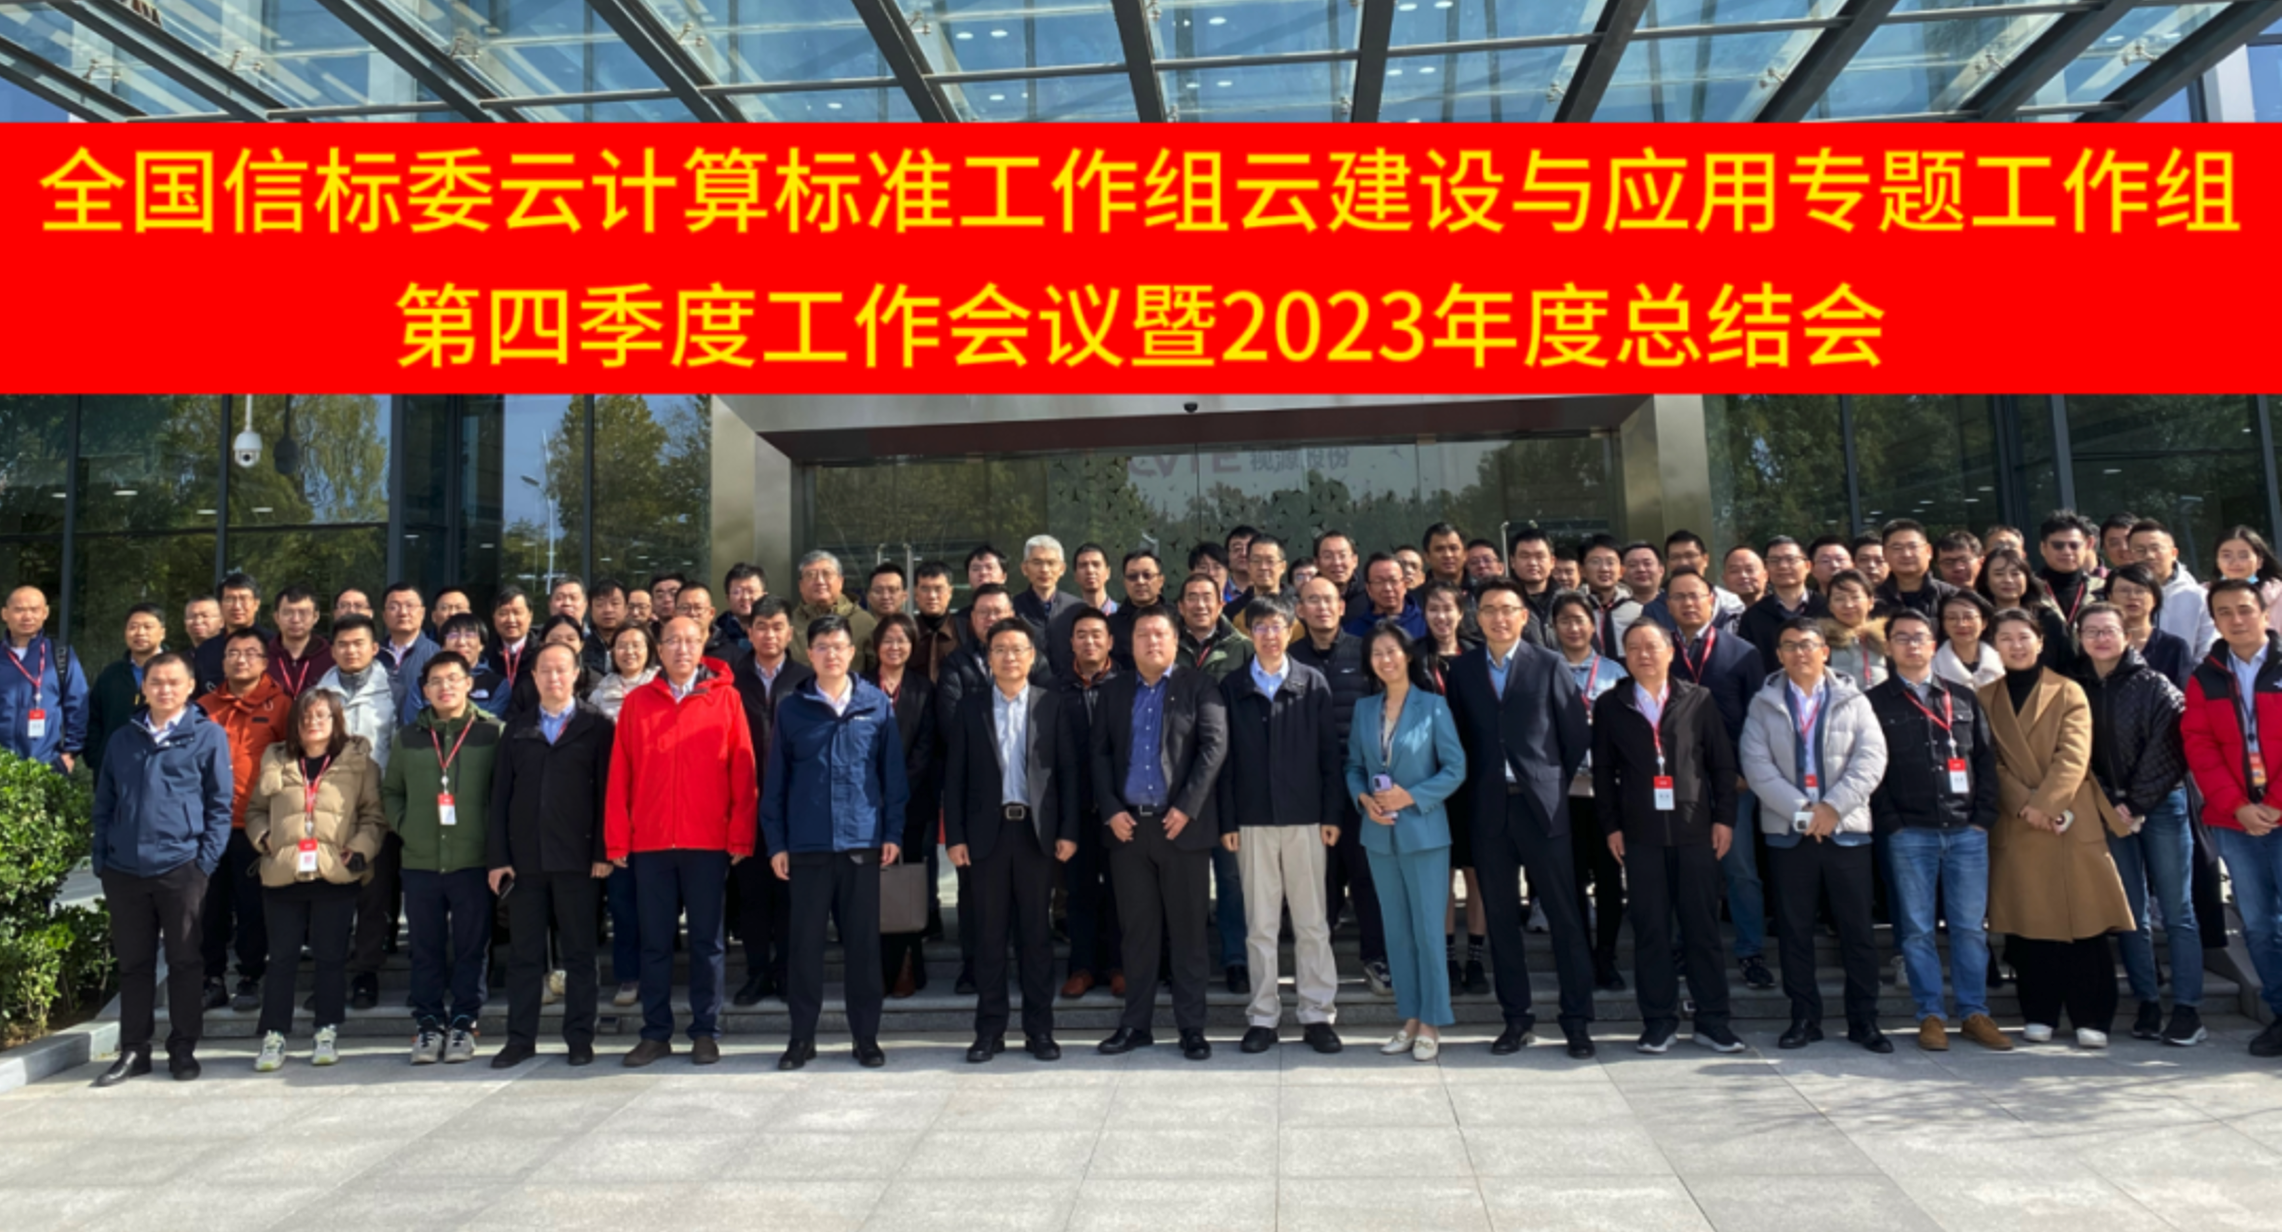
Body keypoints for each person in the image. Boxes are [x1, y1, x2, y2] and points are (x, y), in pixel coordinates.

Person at [1444, 578, 1598, 1059]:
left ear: (1523, 616)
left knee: (1566, 916)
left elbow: (1574, 735)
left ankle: (1577, 1021)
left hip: (1542, 806)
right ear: (1477, 617)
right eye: (1489, 609)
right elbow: (1457, 738)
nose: (1498, 617)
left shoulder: (1548, 663)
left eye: (1507, 609)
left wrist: (1546, 778)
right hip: (1488, 808)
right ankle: (1516, 1018)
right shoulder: (1463, 670)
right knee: (1501, 919)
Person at [1980, 607, 2135, 1048]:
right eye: (2006, 638)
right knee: (2030, 922)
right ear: (1995, 645)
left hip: (2069, 814)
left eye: (2023, 636)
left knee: (2085, 919)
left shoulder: (2068, 691)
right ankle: (2039, 1011)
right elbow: (1989, 760)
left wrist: (2046, 804)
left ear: (2040, 641)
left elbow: (2074, 754)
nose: (2016, 645)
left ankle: (2092, 1015)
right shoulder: (1984, 697)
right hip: (2019, 821)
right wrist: (2025, 805)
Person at [607, 617, 757, 1067]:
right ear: (659, 648)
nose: (681, 648)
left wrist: (741, 833)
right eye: (672, 640)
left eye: (690, 640)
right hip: (651, 843)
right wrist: (617, 838)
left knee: (708, 942)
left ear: (703, 644)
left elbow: (743, 771)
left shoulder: (725, 698)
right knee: (655, 943)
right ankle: (655, 1033)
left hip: (707, 841)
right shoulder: (638, 702)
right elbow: (620, 774)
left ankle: (705, 1031)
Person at [1740, 618, 1892, 1053]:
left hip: (1846, 831)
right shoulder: (1763, 703)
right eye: (1789, 646)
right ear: (1779, 655)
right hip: (1790, 833)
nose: (1799, 653)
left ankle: (1864, 1020)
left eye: (1807, 644)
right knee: (1795, 931)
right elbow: (1756, 765)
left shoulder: (1853, 699)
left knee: (1856, 931)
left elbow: (1871, 758)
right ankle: (1804, 1018)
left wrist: (1832, 808)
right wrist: (1804, 813)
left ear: (1825, 651)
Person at [763, 616, 908, 1070]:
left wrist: (892, 833)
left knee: (863, 948)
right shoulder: (792, 708)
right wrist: (776, 842)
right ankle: (801, 1038)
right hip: (807, 847)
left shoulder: (875, 704)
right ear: (809, 654)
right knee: (804, 947)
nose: (831, 654)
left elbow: (893, 777)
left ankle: (866, 1038)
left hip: (862, 843)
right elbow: (775, 782)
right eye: (822, 646)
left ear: (852, 652)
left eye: (839, 646)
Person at [1594, 621, 1743, 1054]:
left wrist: (1724, 819)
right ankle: (1658, 1022)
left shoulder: (1698, 699)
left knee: (1702, 929)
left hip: (1695, 831)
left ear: (1671, 651)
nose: (1644, 654)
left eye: (1652, 646)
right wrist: (1611, 826)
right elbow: (1603, 772)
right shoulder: (1611, 704)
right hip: (1640, 834)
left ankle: (1713, 1021)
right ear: (1624, 656)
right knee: (1651, 930)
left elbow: (1721, 765)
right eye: (1633, 647)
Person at [1866, 610, 2010, 1053]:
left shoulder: (1962, 697)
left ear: (1933, 645)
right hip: (1910, 832)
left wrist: (1983, 817)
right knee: (1916, 929)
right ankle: (1930, 1014)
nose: (1912, 645)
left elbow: (1984, 759)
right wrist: (1892, 823)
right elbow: (1870, 769)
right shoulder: (1874, 702)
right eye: (1902, 638)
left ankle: (1974, 1012)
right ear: (1889, 647)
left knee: (1969, 928)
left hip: (1967, 829)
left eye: (1920, 637)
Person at [1092, 608, 1228, 1061]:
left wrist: (1188, 807)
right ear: (1129, 643)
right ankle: (1136, 1024)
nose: (1152, 641)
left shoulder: (1198, 686)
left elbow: (1214, 747)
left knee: (1189, 934)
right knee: (1138, 933)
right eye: (1143, 634)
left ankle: (1192, 1027)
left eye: (1160, 634)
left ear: (1175, 641)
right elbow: (1098, 755)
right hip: (1129, 830)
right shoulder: (1113, 692)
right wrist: (1110, 809)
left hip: (1181, 829)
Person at [91, 652, 232, 1086]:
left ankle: (183, 1047)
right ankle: (134, 1049)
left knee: (184, 960)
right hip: (124, 869)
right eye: (156, 682)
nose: (164, 689)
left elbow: (220, 805)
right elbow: (104, 802)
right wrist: (102, 858)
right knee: (134, 964)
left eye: (173, 682)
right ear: (144, 687)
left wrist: (204, 863)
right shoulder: (123, 738)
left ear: (190, 687)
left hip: (181, 867)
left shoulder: (207, 736)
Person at [944, 618, 1077, 1062]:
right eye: (999, 649)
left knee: (1035, 937)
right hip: (987, 836)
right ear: (988, 658)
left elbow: (1067, 774)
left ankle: (1040, 1031)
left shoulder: (1050, 705)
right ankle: (989, 1031)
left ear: (1032, 656)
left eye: (1017, 649)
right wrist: (955, 836)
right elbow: (954, 777)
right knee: (989, 937)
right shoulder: (971, 707)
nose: (1009, 657)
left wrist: (1068, 831)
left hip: (1036, 835)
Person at [1217, 598, 1344, 1054]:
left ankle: (1317, 1014)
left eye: (1277, 626)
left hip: (1306, 818)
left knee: (1312, 922)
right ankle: (1263, 1016)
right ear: (1249, 633)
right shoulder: (1233, 685)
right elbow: (1224, 761)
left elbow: (1329, 754)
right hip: (1252, 820)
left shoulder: (1311, 682)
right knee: (1260, 925)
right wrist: (1227, 819)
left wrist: (1331, 814)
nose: (1270, 635)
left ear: (1291, 630)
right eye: (1261, 627)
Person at [2073, 602, 2202, 1045]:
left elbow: (2170, 749)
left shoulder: (2155, 684)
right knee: (2129, 912)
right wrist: (2111, 803)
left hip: (2161, 805)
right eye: (2091, 631)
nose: (2100, 638)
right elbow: (2074, 752)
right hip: (2107, 809)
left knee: (2178, 911)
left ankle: (2187, 1008)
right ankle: (2147, 1001)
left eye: (2108, 630)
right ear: (2080, 639)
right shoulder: (2074, 688)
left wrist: (2137, 802)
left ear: (2127, 636)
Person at [486, 642, 614, 1068]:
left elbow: (607, 795)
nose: (554, 677)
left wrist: (602, 851)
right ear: (534, 677)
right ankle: (520, 1039)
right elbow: (499, 797)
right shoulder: (517, 729)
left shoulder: (596, 727)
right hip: (526, 861)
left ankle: (580, 1038)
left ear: (577, 674)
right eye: (545, 670)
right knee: (524, 956)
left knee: (580, 954)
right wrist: (498, 857)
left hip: (579, 860)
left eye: (562, 669)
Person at [246, 688, 384, 1072]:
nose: (313, 723)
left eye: (322, 715)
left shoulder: (359, 763)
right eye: (306, 716)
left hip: (333, 871)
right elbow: (255, 810)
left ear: (336, 721)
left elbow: (373, 816)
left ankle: (326, 1029)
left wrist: (359, 849)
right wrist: (265, 839)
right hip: (284, 871)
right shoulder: (276, 758)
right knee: (282, 958)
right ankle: (274, 1034)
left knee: (330, 956)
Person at [1348, 623, 1467, 1061]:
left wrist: (1411, 796)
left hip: (1424, 834)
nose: (1385, 659)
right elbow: (1354, 766)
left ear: (1408, 655)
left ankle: (1433, 1020)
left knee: (1428, 931)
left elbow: (1455, 768)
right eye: (1376, 653)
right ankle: (1410, 1017)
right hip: (1379, 835)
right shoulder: (1364, 709)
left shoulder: (1433, 706)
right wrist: (1363, 798)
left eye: (1392, 650)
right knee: (1396, 932)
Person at [383, 653, 505, 1064]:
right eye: (435, 680)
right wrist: (407, 826)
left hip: (473, 858)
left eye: (453, 678)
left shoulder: (493, 732)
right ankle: (428, 1023)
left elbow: (505, 793)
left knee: (472, 947)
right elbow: (391, 791)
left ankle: (465, 1021)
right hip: (421, 860)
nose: (445, 687)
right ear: (424, 690)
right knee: (425, 947)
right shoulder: (408, 737)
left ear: (469, 683)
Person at [2181, 578, 2282, 1056]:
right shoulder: (2206, 677)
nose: (2236, 620)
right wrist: (2238, 806)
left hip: (2278, 811)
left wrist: (2275, 803)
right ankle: (2280, 1013)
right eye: (2224, 612)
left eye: (2244, 609)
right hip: (2235, 821)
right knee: (2258, 924)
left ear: (2264, 612)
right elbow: (2199, 747)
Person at [1665, 568, 1775, 994]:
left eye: (1695, 595)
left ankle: (1750, 951)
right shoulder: (1659, 650)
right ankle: (1683, 944)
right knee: (1682, 867)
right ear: (1668, 605)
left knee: (1740, 867)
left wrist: (1748, 771)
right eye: (1679, 597)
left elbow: (1759, 716)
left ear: (1712, 600)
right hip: (1674, 782)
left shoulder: (1741, 652)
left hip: (1732, 781)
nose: (1688, 603)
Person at [1289, 574, 1389, 995]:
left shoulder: (1365, 652)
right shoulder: (1289, 659)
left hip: (1359, 787)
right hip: (1308, 790)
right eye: (1312, 600)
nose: (1322, 607)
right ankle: (1316, 966)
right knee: (1317, 881)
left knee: (1367, 875)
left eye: (1328, 599)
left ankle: (1376, 959)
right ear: (1300, 610)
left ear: (1342, 606)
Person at [197, 627, 290, 1013]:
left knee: (253, 907)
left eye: (251, 653)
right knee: (209, 908)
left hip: (256, 824)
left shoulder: (282, 705)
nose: (241, 660)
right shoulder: (203, 707)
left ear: (265, 662)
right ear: (222, 662)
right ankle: (212, 978)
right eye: (233, 653)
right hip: (208, 824)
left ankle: (250, 977)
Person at [315, 614, 400, 1012]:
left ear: (374, 648)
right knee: (330, 894)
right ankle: (329, 973)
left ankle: (366, 971)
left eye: (358, 643)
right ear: (332, 650)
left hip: (376, 808)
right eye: (343, 644)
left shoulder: (395, 690)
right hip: (328, 808)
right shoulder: (317, 694)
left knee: (373, 894)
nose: (351, 650)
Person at [1549, 591, 1627, 990]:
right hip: (1562, 795)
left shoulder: (1615, 673)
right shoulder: (1544, 670)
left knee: (1610, 880)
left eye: (1579, 619)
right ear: (1554, 627)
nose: (1573, 628)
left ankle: (1606, 957)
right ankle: (1578, 955)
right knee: (1571, 879)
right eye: (1564, 620)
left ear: (1593, 625)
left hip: (1606, 794)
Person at [1420, 579, 1489, 995]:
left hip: (1476, 778)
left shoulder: (1480, 655)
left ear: (1461, 613)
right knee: (1440, 873)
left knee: (1477, 871)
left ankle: (1475, 957)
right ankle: (1446, 956)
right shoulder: (1414, 658)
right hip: (1431, 780)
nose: (1441, 617)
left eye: (1448, 609)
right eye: (1433, 609)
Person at [865, 613, 937, 999]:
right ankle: (875, 968)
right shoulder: (859, 686)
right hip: (863, 803)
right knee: (870, 886)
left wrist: (895, 791)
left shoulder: (924, 690)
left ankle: (908, 966)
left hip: (910, 803)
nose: (895, 647)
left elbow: (925, 749)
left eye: (903, 640)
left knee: (905, 884)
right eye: (889, 640)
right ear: (876, 645)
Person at [587, 621, 657, 1009]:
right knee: (623, 899)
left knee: (658, 902)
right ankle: (629, 975)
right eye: (621, 645)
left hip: (656, 804)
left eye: (636, 644)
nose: (629, 651)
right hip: (614, 803)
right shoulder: (599, 696)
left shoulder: (664, 689)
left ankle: (659, 972)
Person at [1057, 607, 1123, 1000]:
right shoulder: (1054, 688)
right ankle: (1081, 967)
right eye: (1081, 634)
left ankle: (1118, 965)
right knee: (1078, 891)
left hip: (1119, 808)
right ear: (1071, 642)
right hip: (1075, 807)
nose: (1089, 641)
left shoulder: (1127, 684)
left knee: (1120, 890)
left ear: (1110, 641)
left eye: (1097, 634)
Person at [1, 585, 89, 772]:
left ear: (45, 613)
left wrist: (70, 753)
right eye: (19, 610)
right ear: (5, 614)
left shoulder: (60, 655)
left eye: (34, 610)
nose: (27, 616)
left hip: (47, 765)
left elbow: (78, 704)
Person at [86, 602, 167, 781]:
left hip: (164, 769)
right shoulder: (111, 674)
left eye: (147, 627)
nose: (140, 633)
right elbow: (93, 718)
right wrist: (96, 758)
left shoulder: (178, 671)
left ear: (162, 633)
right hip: (114, 769)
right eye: (133, 627)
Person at [2124, 520, 2216, 659]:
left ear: (2174, 553)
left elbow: (2207, 648)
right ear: (2129, 556)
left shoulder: (2198, 597)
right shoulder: (2117, 596)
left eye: (2156, 548)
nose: (2149, 556)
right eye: (2140, 550)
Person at [1978, 548, 2077, 675]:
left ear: (2027, 578)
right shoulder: (1978, 621)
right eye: (1999, 574)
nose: (2008, 580)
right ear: (1986, 580)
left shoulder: (2047, 619)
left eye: (2015, 574)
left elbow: (2067, 665)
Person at [1738, 536, 1828, 667]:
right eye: (1774, 561)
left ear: (1808, 566)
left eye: (1791, 560)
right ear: (1766, 568)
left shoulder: (1828, 608)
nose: (1783, 566)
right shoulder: (1753, 616)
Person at [2104, 563, 2193, 689]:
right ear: (2109, 598)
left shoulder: (2174, 647)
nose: (2132, 596)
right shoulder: (2099, 644)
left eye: (2140, 591)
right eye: (2124, 590)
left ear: (2155, 599)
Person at [787, 551, 878, 667]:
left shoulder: (864, 622)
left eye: (827, 574)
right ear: (801, 585)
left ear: (840, 581)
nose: (820, 581)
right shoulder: (788, 625)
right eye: (811, 575)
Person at [1013, 534, 1082, 673]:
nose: (1044, 569)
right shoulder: (1012, 609)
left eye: (1051, 563)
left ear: (1062, 569)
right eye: (1037, 562)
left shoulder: (1077, 609)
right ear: (1024, 568)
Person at [193, 572, 270, 697]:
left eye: (244, 599)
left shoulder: (273, 644)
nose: (237, 606)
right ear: (220, 605)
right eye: (229, 599)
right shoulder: (206, 650)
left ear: (256, 604)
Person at [377, 583, 438, 722]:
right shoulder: (371, 655)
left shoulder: (437, 656)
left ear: (422, 613)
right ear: (384, 615)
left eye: (410, 606)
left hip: (419, 732)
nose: (403, 612)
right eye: (394, 607)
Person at [1875, 519, 1958, 621]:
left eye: (1913, 546)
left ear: (1928, 551)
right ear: (1884, 554)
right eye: (1897, 548)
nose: (1906, 554)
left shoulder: (1952, 596)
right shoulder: (1873, 600)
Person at [2036, 510, 2104, 626]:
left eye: (2074, 545)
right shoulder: (2027, 589)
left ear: (2088, 545)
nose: (2067, 552)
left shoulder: (2103, 588)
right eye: (2058, 545)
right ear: (2043, 548)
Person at [265, 585, 333, 699]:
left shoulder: (331, 656)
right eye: (288, 613)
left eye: (303, 613)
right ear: (276, 617)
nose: (295, 620)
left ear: (315, 617)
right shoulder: (263, 655)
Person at [2213, 526, 2282, 638]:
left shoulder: (2278, 595)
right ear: (2217, 561)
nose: (2235, 562)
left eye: (2243, 556)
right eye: (2226, 555)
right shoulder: (2201, 596)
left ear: (2259, 561)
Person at [1580, 536, 1642, 658]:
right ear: (1582, 570)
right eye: (1595, 562)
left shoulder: (1638, 611)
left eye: (1610, 562)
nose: (1604, 569)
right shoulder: (1574, 607)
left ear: (1621, 571)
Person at [1346, 553, 1426, 640]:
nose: (1387, 588)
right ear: (1368, 589)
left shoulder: (1427, 623)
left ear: (1405, 584)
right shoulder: (1352, 631)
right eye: (1379, 582)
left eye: (1393, 580)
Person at [1935, 590, 2004, 690]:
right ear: (1943, 624)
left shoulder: (2002, 662)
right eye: (1952, 618)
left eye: (1969, 617)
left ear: (1984, 623)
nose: (1961, 624)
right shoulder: (1931, 666)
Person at [482, 585, 539, 703]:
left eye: (517, 612)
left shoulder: (541, 653)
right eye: (503, 613)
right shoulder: (484, 655)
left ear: (530, 616)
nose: (511, 620)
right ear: (493, 617)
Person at [911, 561, 963, 680]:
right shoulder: (906, 631)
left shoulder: (964, 630)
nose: (932, 596)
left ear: (950, 592)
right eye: (925, 589)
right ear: (916, 593)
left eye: (939, 589)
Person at [1509, 527, 1562, 645]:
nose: (1532, 563)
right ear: (1512, 562)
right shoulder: (1504, 603)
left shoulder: (1569, 599)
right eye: (1525, 556)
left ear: (1552, 562)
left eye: (1540, 556)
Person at [1225, 532, 1293, 620]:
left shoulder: (1299, 607)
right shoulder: (1232, 611)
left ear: (1283, 567)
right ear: (1248, 566)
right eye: (1256, 560)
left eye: (1270, 561)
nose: (1263, 567)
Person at [716, 562, 767, 653]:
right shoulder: (716, 632)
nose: (745, 597)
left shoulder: (774, 631)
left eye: (751, 591)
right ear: (728, 598)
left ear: (764, 596)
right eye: (737, 592)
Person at [583, 578, 631, 676]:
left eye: (615, 603)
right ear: (590, 610)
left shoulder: (638, 645)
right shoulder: (581, 646)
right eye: (600, 604)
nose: (608, 610)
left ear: (626, 608)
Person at [1071, 543, 1119, 615]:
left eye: (1096, 564)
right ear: (1075, 576)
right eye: (1083, 565)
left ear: (1108, 573)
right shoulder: (1068, 617)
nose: (1090, 570)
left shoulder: (1125, 616)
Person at [1722, 545, 1767, 612]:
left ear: (1766, 576)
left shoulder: (1780, 611)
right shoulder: (1718, 615)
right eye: (1734, 571)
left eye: (1750, 570)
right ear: (1724, 579)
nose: (1743, 576)